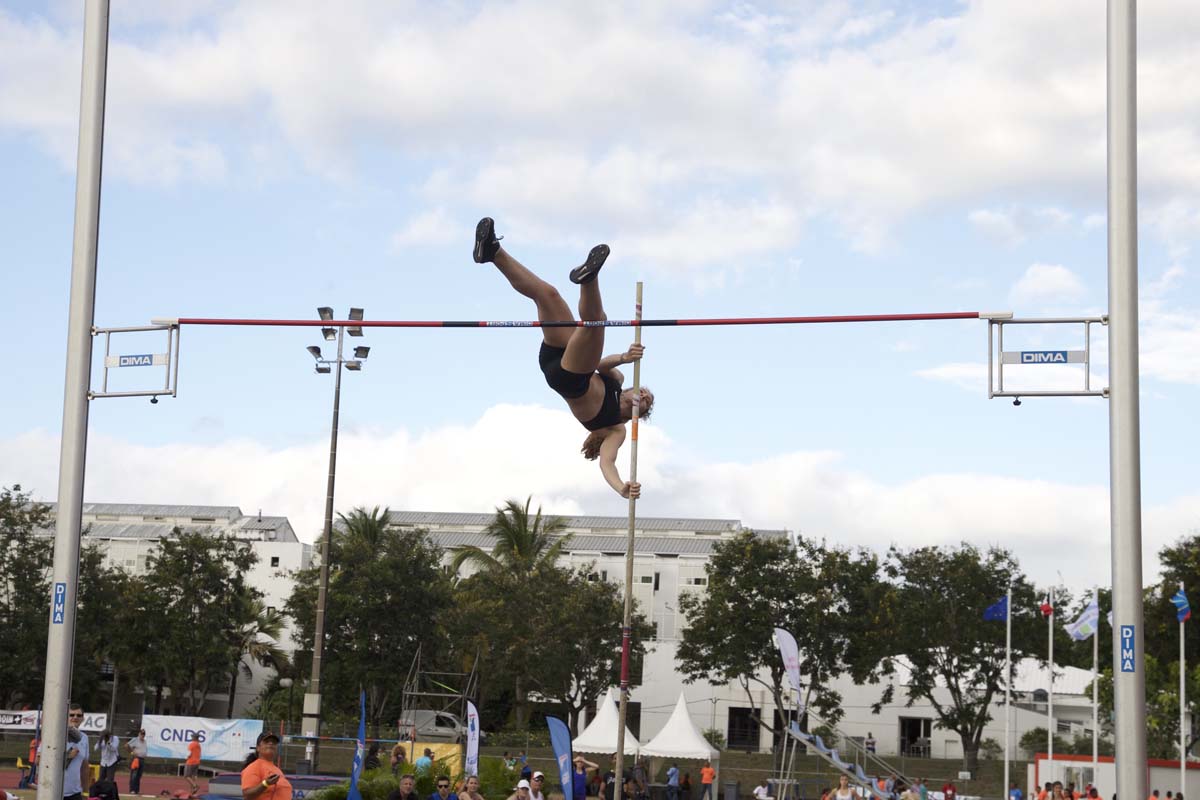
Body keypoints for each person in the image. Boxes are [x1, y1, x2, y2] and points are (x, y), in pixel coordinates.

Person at [475, 217, 654, 498]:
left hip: (571, 378)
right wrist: (624, 356)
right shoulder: (617, 380)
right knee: (548, 295)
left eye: (645, 403)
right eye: (643, 392)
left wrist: (621, 487)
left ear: (638, 416)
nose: (642, 397)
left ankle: (589, 279)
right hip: (560, 355)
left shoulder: (614, 429)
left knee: (596, 323)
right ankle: (493, 252)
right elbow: (602, 365)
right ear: (631, 388)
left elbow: (607, 463)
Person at [241, 732, 291, 800]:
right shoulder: (253, 767)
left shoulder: (277, 769)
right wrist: (265, 784)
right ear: (258, 748)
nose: (271, 743)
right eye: (266, 741)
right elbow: (247, 795)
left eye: (274, 742)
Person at [127, 729, 148, 794]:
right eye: (141, 734)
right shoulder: (135, 740)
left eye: (143, 734)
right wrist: (132, 752)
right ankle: (132, 789)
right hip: (136, 759)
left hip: (142, 759)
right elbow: (127, 745)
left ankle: (137, 790)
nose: (142, 735)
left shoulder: (145, 741)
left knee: (139, 775)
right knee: (134, 775)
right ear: (139, 734)